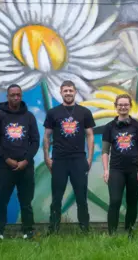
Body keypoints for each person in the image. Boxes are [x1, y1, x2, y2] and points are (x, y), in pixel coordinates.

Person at [0, 84, 40, 240]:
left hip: (26, 167)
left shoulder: (29, 116)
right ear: (8, 96)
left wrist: (26, 160)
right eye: (13, 95)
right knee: (1, 202)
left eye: (18, 95)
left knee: (26, 202)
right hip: (5, 166)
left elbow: (35, 141)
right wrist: (6, 158)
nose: (16, 97)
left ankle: (28, 232)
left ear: (21, 96)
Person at [43, 80, 95, 234]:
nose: (68, 93)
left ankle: (85, 229)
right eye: (65, 91)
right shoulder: (53, 113)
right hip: (59, 160)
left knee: (81, 197)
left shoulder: (84, 112)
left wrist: (90, 158)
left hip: (79, 159)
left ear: (75, 92)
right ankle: (53, 229)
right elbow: (46, 136)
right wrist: (47, 157)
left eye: (70, 90)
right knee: (56, 197)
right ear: (61, 92)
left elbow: (90, 135)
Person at [102, 94, 138, 237]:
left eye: (126, 104)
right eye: (120, 105)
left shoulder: (137, 126)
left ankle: (130, 231)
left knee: (132, 202)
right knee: (115, 200)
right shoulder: (109, 127)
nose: (123, 107)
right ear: (116, 106)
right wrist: (105, 170)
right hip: (116, 169)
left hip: (134, 169)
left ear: (130, 106)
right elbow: (105, 151)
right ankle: (112, 234)